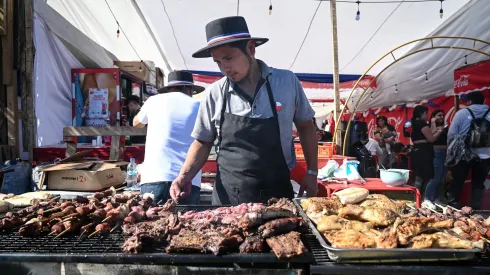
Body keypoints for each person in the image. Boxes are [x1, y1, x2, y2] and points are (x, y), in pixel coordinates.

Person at [170, 16, 318, 205]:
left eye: (229, 58)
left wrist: (312, 172)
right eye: (218, 62)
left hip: (278, 193)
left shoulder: (286, 82)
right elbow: (203, 141)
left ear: (250, 48)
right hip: (229, 199)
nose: (225, 68)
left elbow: (306, 127)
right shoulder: (215, 93)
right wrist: (184, 176)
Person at [133, 71, 205, 204]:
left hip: (155, 177)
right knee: (188, 223)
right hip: (188, 179)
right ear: (188, 89)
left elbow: (136, 123)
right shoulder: (199, 106)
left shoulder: (154, 101)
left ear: (169, 88)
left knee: (148, 224)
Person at [447, 91, 490, 209]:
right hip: (485, 155)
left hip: (463, 154)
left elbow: (451, 134)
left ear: (469, 102)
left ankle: (453, 206)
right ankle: (476, 209)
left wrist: (451, 153)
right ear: (483, 101)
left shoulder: (461, 113)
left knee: (458, 180)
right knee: (478, 183)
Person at [410, 105, 444, 208]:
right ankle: (422, 200)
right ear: (421, 114)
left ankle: (416, 200)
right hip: (424, 153)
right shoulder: (422, 123)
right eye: (426, 113)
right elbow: (431, 139)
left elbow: (426, 135)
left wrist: (433, 125)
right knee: (425, 177)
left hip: (417, 151)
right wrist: (440, 131)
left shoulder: (413, 123)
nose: (427, 115)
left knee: (419, 177)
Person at [423, 109, 448, 207]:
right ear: (433, 117)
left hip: (445, 153)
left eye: (443, 115)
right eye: (439, 115)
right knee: (435, 177)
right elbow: (431, 139)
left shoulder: (445, 127)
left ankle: (435, 198)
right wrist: (433, 123)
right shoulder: (429, 127)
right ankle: (427, 198)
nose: (441, 117)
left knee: (441, 178)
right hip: (436, 153)